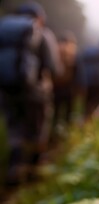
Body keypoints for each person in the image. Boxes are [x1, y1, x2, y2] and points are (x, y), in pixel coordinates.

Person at [0, 1, 63, 186]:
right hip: (36, 92)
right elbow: (53, 67)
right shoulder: (41, 33)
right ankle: (35, 170)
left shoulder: (5, 31)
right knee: (38, 127)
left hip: (7, 89)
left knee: (15, 129)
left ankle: (14, 167)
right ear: (39, 18)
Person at [51, 30, 78, 137]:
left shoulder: (54, 51)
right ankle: (66, 133)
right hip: (68, 87)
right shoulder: (73, 53)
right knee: (68, 111)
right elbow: (77, 72)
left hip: (55, 87)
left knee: (56, 112)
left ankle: (54, 132)